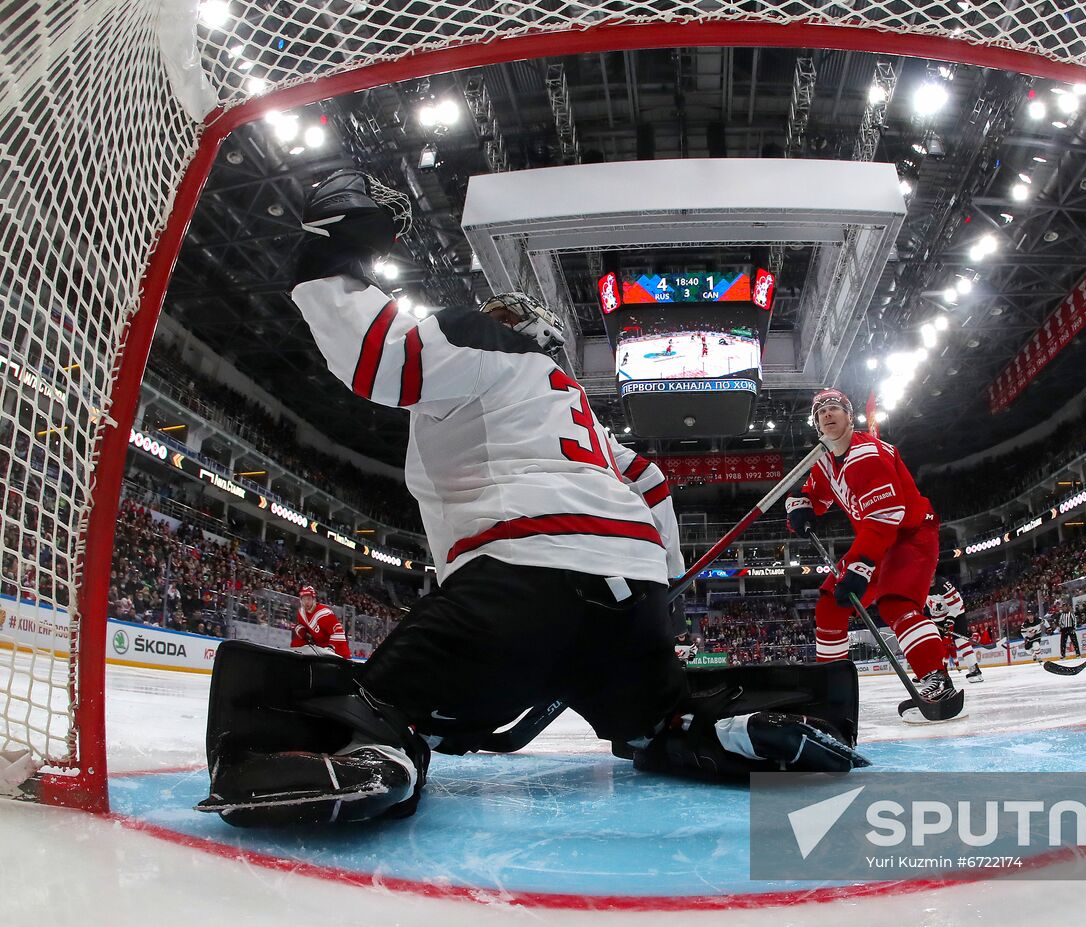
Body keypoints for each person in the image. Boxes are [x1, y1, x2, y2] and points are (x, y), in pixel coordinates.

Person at [197, 171, 865, 827]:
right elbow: (654, 484)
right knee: (656, 726)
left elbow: (376, 356)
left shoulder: (476, 342)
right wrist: (662, 592)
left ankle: (378, 751)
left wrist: (334, 241)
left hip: (519, 580)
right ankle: (726, 730)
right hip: (630, 603)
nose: (492, 314)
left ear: (518, 329)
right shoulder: (583, 415)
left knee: (384, 703)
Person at [785, 388, 961, 722]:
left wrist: (862, 563)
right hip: (877, 536)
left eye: (835, 408)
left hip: (910, 533)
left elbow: (887, 512)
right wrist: (802, 506)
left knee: (896, 603)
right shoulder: (824, 459)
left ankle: (937, 680)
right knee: (830, 605)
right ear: (816, 423)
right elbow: (816, 494)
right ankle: (832, 690)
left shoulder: (867, 452)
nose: (827, 414)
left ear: (850, 417)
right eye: (821, 412)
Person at [925, 576, 984, 683]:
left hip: (956, 613)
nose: (931, 578)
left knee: (961, 640)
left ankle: (974, 669)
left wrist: (950, 619)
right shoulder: (920, 585)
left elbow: (957, 604)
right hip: (937, 617)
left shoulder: (943, 584)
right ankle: (931, 672)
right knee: (934, 643)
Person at [289, 585, 352, 659]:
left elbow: (338, 632)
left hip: (339, 653)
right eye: (304, 599)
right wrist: (303, 632)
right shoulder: (301, 613)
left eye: (309, 599)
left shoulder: (324, 613)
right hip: (320, 651)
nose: (306, 602)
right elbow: (300, 626)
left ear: (314, 599)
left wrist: (330, 649)